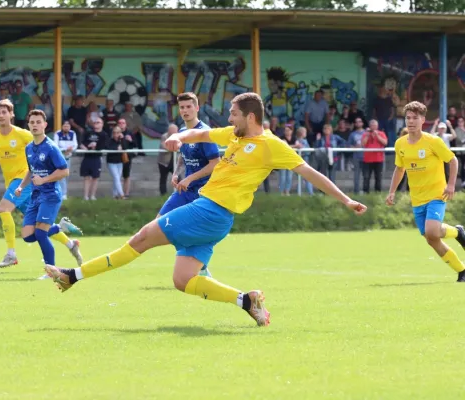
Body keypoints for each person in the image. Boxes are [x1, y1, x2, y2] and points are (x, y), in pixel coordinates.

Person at [44, 92, 367, 327]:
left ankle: (73, 276)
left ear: (250, 117)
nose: (229, 119)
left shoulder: (272, 146)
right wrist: (179, 138)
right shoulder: (236, 137)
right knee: (183, 280)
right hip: (214, 217)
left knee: (141, 239)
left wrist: (346, 200)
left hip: (210, 212)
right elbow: (199, 132)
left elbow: (311, 173)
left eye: (233, 114)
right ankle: (246, 300)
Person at [0, 99, 82, 268]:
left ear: (12, 114)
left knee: (4, 209)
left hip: (24, 180)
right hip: (14, 185)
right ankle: (70, 243)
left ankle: (11, 253)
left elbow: (43, 144)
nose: (1, 115)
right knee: (37, 228)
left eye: (4, 112)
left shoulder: (23, 134)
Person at [386, 101, 465, 282]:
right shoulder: (400, 144)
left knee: (432, 231)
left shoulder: (433, 141)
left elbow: (453, 161)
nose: (411, 121)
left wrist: (451, 185)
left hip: (437, 194)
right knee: (431, 238)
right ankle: (461, 266)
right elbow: (399, 169)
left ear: (423, 120)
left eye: (415, 118)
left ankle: (459, 234)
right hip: (417, 198)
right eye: (408, 118)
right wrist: (392, 192)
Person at [158, 92, 220, 277]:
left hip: (202, 192)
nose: (185, 110)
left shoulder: (205, 133)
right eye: (182, 107)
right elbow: (184, 158)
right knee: (159, 223)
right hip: (184, 188)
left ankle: (199, 263)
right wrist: (177, 173)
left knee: (182, 228)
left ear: (197, 108)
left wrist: (190, 178)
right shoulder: (182, 133)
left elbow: (215, 163)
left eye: (188, 107)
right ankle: (199, 264)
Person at [15, 110, 79, 275]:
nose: (35, 125)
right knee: (28, 236)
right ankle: (60, 227)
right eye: (32, 122)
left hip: (50, 195)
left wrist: (43, 180)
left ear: (45, 125)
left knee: (41, 234)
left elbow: (64, 171)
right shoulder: (29, 147)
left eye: (38, 122)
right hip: (35, 196)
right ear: (28, 125)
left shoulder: (51, 147)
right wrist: (22, 186)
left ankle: (52, 271)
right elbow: (31, 170)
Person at [53, 120, 78, 201]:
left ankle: (63, 192)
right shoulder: (57, 133)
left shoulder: (72, 133)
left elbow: (75, 144)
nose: (66, 128)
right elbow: (55, 145)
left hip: (68, 156)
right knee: (62, 175)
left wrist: (71, 149)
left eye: (68, 126)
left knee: (66, 175)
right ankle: (63, 194)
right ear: (62, 126)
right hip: (60, 156)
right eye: (65, 126)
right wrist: (65, 149)